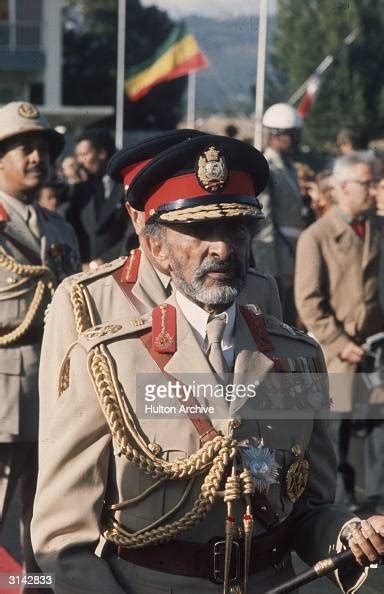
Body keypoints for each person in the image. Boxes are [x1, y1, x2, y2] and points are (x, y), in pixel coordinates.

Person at [32, 134, 384, 594]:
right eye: (198, 232)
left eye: (236, 229)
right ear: (157, 248)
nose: (221, 248)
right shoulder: (105, 360)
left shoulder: (298, 359)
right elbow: (63, 540)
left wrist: (348, 533)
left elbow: (308, 505)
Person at [0, 101, 80, 590]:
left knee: (44, 512)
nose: (36, 157)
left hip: (52, 390)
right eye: (24, 147)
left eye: (43, 148)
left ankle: (33, 587)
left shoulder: (59, 227)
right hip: (3, 389)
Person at [295, 152, 384, 512]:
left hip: (377, 349)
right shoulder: (316, 236)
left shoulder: (378, 228)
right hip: (338, 353)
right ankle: (339, 509)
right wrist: (339, 342)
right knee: (336, 435)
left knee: (378, 427)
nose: (375, 190)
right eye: (368, 183)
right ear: (344, 187)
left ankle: (377, 504)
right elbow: (308, 300)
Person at [252, 103, 304, 325]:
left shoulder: (288, 167)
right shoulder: (268, 167)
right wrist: (270, 272)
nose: (295, 140)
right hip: (277, 259)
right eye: (291, 134)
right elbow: (265, 223)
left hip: (292, 255)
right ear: (277, 135)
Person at [66, 128, 136, 269]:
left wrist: (104, 260)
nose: (79, 161)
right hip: (84, 271)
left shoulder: (126, 185)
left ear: (102, 153)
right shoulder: (80, 188)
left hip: (118, 266)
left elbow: (133, 229)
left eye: (84, 154)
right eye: (78, 155)